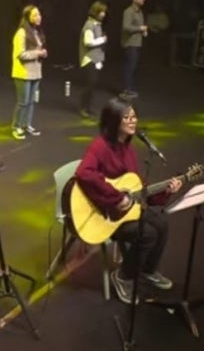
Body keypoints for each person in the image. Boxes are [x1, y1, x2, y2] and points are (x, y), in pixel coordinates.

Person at [73, 97, 182, 304]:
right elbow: (83, 173)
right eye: (127, 118)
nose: (133, 121)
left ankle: (148, 270)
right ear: (114, 121)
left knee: (162, 224)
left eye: (134, 116)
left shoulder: (128, 150)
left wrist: (165, 192)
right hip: (103, 215)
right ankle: (123, 276)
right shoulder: (100, 146)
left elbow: (137, 189)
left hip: (125, 210)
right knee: (147, 234)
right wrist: (115, 197)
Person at [11, 5, 46, 140]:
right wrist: (37, 53)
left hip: (35, 72)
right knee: (23, 102)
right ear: (27, 17)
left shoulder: (36, 32)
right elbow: (21, 54)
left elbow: (37, 50)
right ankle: (16, 127)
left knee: (31, 101)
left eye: (39, 14)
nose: (38, 17)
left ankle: (26, 124)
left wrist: (42, 53)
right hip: (23, 73)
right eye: (35, 15)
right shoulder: (21, 33)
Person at [78, 1, 108, 119]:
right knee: (89, 85)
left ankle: (88, 108)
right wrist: (102, 40)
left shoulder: (97, 24)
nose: (104, 14)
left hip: (95, 59)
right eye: (102, 12)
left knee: (93, 85)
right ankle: (83, 108)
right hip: (89, 59)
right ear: (96, 12)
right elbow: (88, 42)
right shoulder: (89, 25)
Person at [120, 0, 148, 99]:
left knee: (133, 66)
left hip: (137, 43)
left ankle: (129, 88)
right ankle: (126, 90)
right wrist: (139, 28)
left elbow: (140, 26)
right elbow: (126, 27)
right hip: (129, 43)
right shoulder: (128, 11)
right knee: (130, 66)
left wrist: (143, 31)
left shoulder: (140, 12)